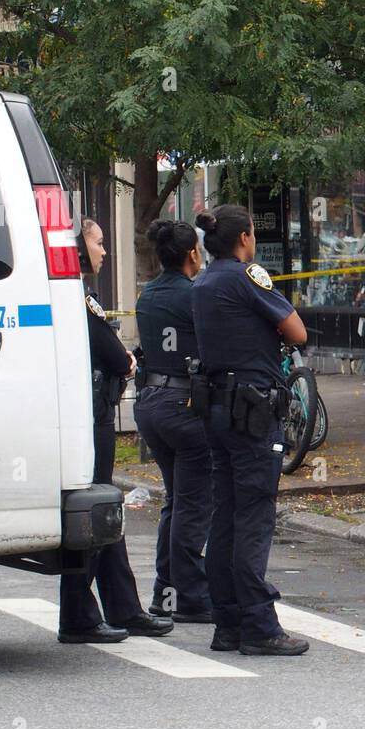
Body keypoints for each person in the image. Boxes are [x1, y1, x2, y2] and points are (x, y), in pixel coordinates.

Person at [191, 206, 311, 656]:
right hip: (253, 411)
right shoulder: (248, 276)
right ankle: (260, 626)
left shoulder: (201, 282)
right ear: (244, 238)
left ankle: (228, 623)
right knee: (254, 517)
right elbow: (296, 332)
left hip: (217, 408)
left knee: (224, 515)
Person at [58, 219, 174, 643]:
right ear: (77, 247)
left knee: (105, 513)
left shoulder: (77, 294)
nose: (105, 252)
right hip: (91, 419)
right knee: (94, 512)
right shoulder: (77, 296)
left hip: (93, 414)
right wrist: (125, 359)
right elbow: (111, 354)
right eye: (99, 243)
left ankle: (123, 608)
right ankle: (77, 615)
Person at [135, 219, 213, 624]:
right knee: (193, 503)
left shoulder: (148, 295)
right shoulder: (194, 295)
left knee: (176, 499)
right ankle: (192, 596)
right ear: (192, 255)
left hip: (150, 402)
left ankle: (165, 592)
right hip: (183, 405)